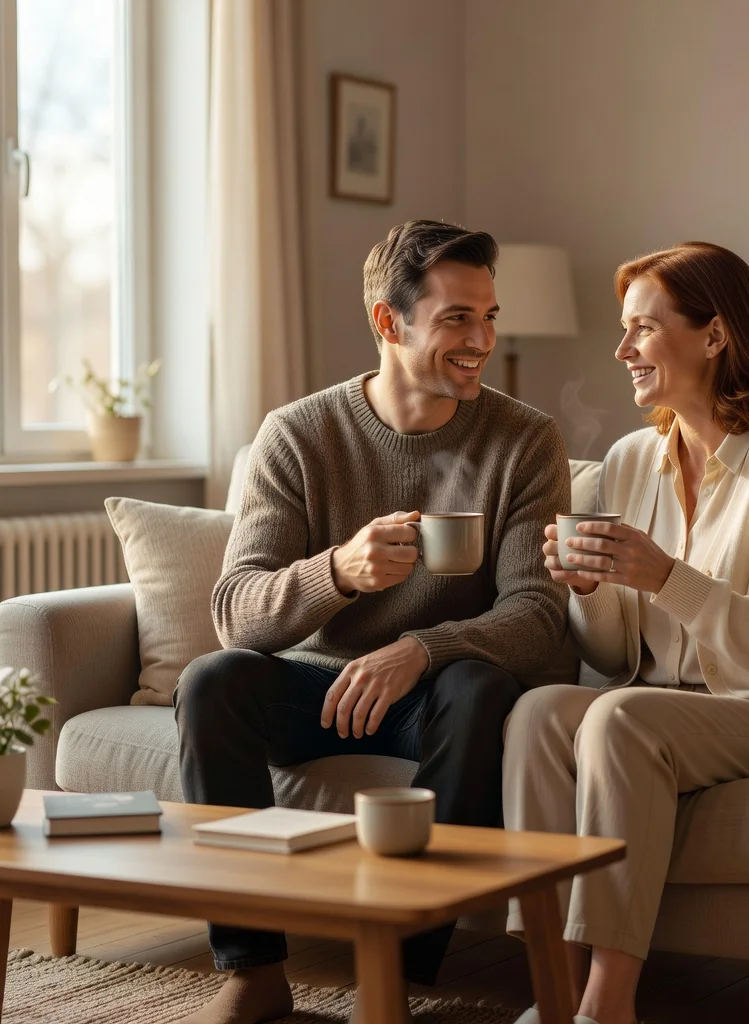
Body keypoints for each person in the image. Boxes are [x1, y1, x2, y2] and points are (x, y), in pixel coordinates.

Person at [173, 220, 571, 1024]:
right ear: (389, 322)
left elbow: (536, 613)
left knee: (479, 687)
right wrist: (339, 573)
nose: (481, 339)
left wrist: (421, 649)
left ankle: (394, 975)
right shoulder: (297, 435)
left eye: (489, 316)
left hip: (436, 697)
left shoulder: (524, 440)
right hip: (315, 690)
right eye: (457, 317)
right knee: (213, 681)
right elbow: (233, 613)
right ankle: (254, 972)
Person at [504, 242, 749, 1024]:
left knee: (621, 716)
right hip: (665, 707)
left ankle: (608, 1004)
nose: (622, 349)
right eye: (623, 329)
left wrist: (667, 577)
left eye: (643, 327)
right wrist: (587, 588)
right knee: (541, 711)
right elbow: (614, 657)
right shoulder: (632, 458)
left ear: (714, 337)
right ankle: (552, 988)